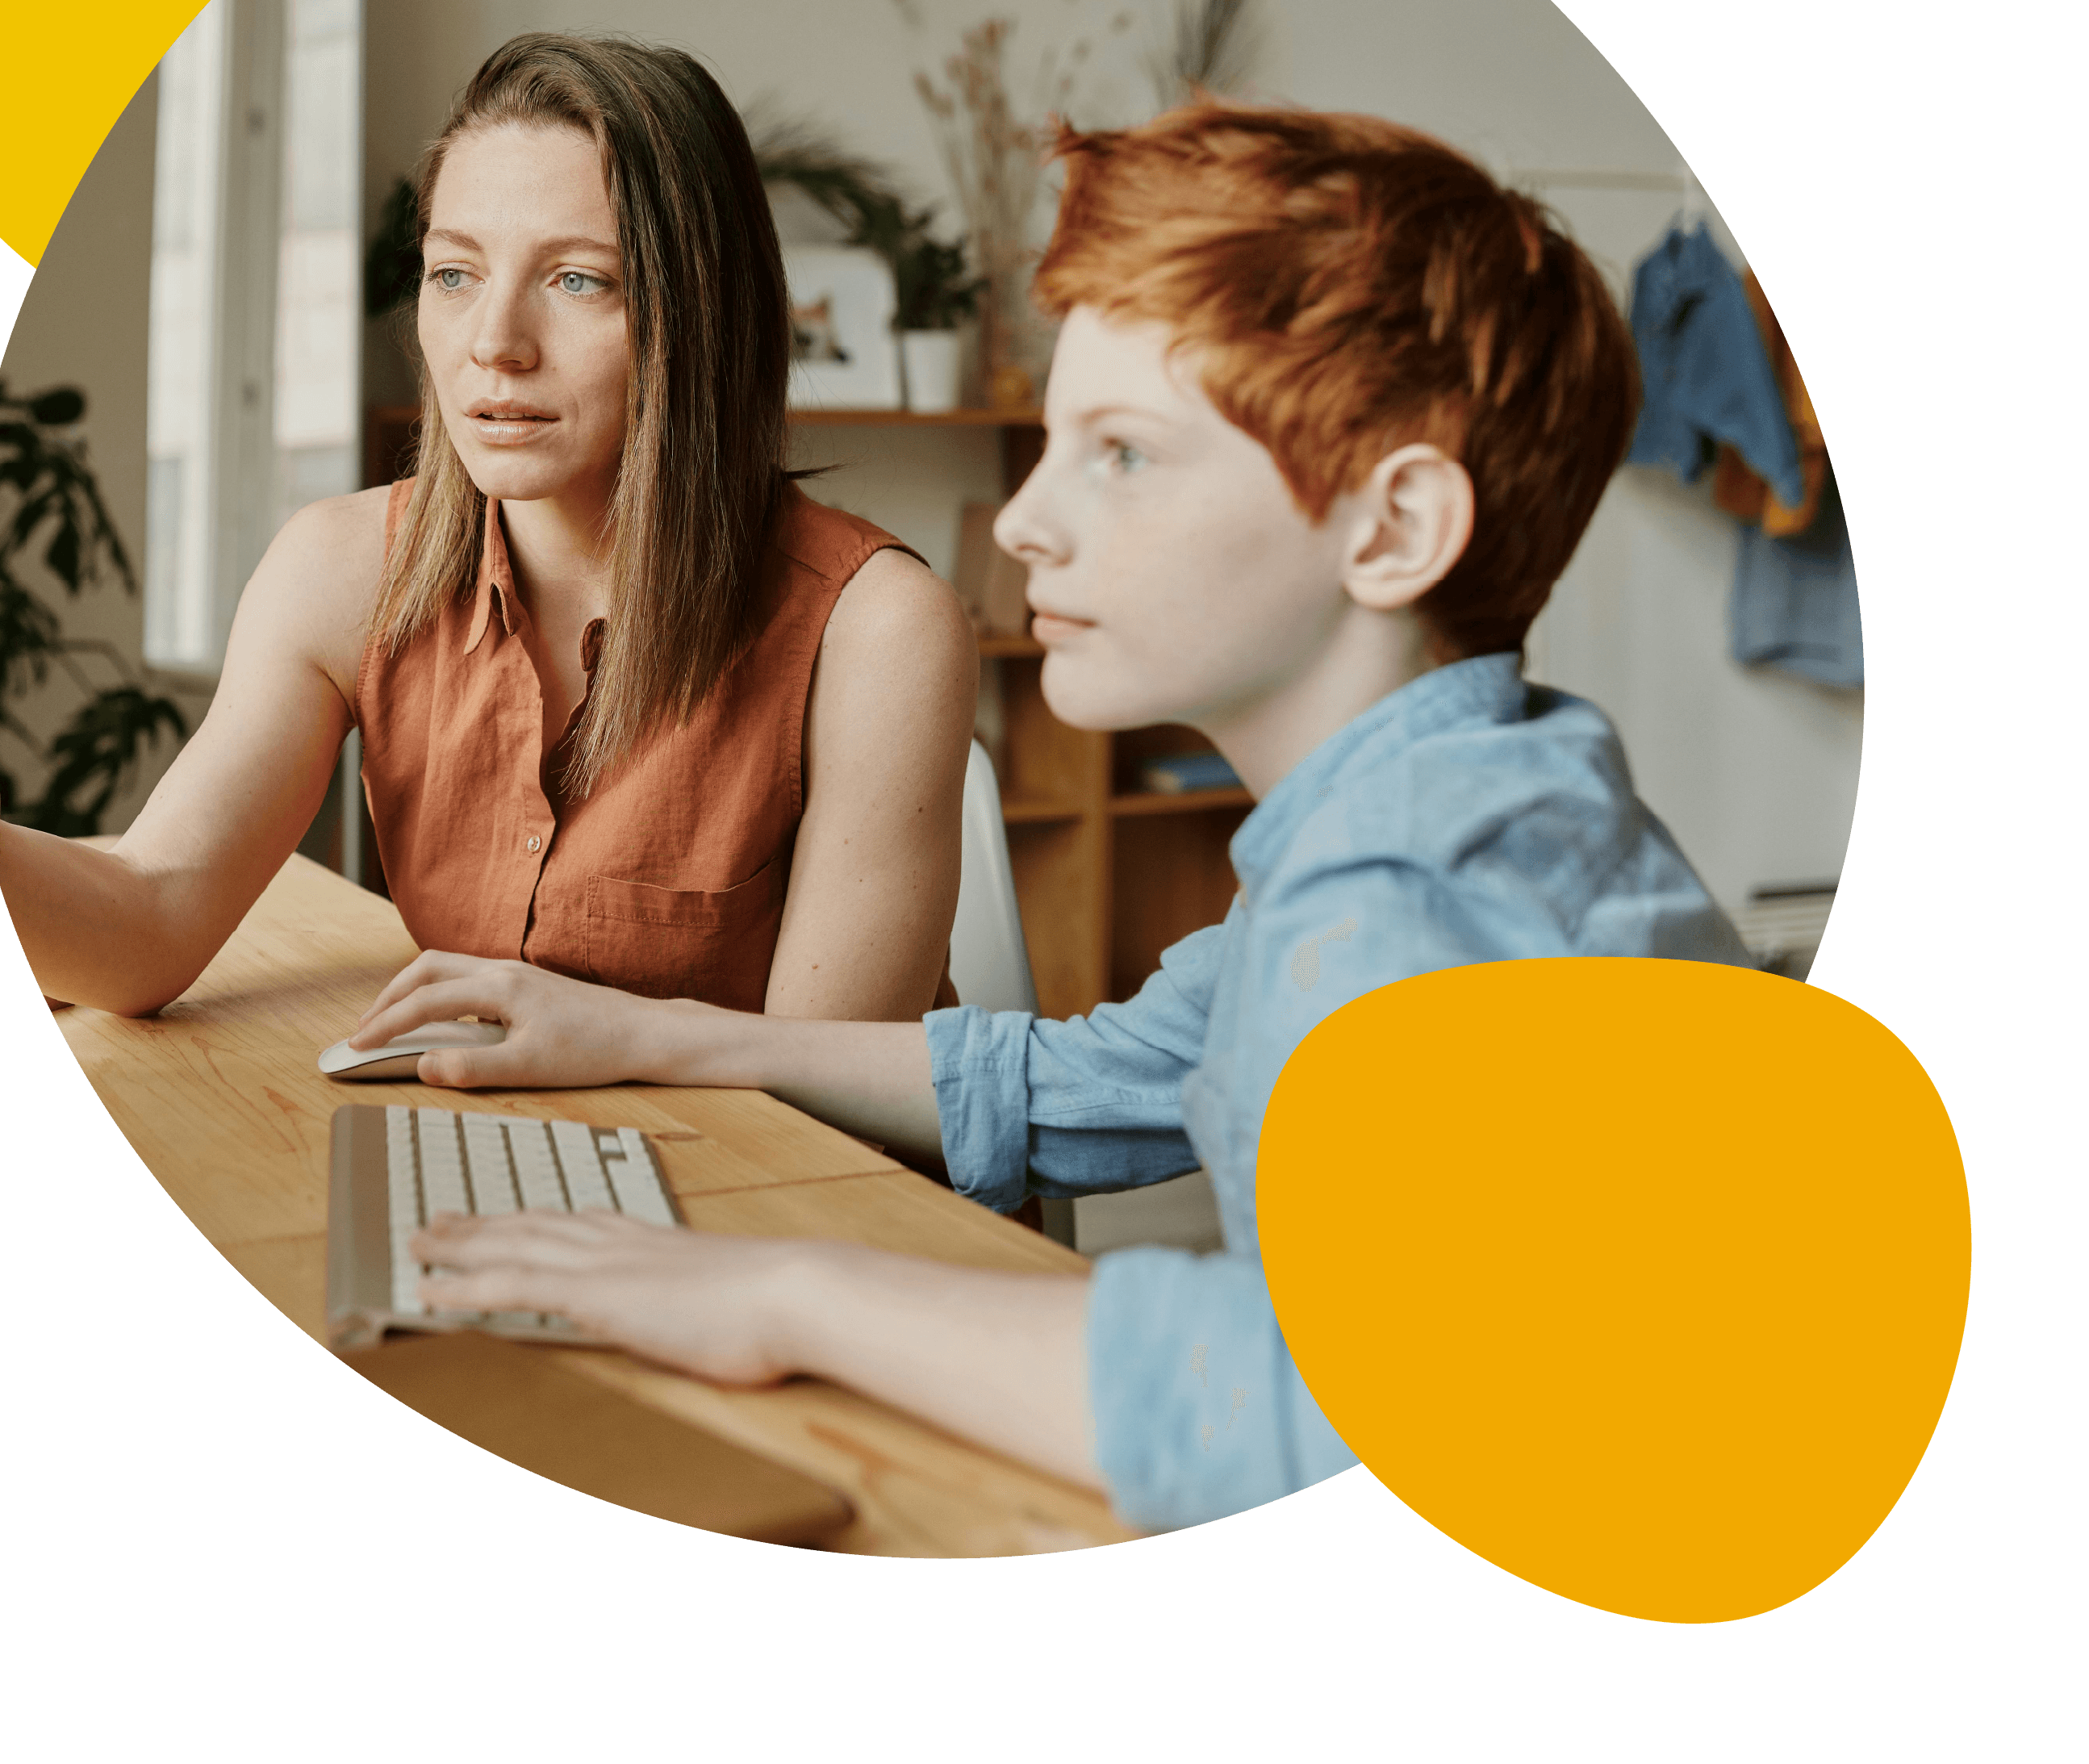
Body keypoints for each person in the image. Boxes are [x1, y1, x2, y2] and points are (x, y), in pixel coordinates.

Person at [342, 102, 1751, 1532]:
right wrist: (647, 1035)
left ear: (1391, 530)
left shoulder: (1411, 889)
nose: (1021, 524)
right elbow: (1099, 1079)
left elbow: (1332, 1419)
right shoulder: (1454, 808)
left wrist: (787, 1291)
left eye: (1120, 455)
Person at [0, 34, 976, 1025]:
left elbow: (828, 1100)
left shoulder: (879, 630)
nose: (493, 345)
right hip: (520, 1150)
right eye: (454, 274)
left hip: (800, 1177)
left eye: (578, 280)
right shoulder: (339, 570)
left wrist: (600, 1041)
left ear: (702, 317)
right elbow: (151, 918)